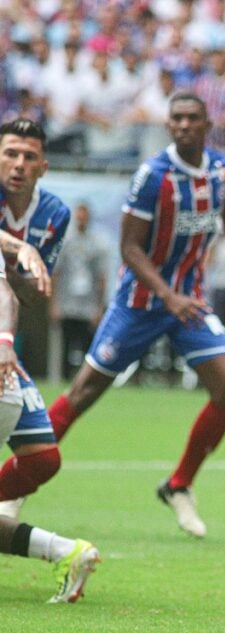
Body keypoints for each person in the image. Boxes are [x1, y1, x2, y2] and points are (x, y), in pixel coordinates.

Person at [35, 93, 225, 539]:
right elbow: (129, 247)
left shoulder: (222, 170)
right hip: (139, 305)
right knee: (82, 393)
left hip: (188, 304)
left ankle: (179, 485)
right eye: (177, 119)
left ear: (207, 124)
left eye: (193, 118)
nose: (185, 125)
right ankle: (18, 480)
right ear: (168, 126)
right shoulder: (153, 175)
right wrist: (167, 295)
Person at [0, 204, 98, 603]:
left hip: (5, 369)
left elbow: (6, 291)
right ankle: (64, 551)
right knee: (42, 456)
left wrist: (5, 343)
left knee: (42, 459)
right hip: (8, 374)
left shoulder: (52, 212)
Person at [0, 118, 70, 522]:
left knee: (43, 458)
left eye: (29, 157)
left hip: (5, 335)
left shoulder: (54, 213)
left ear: (43, 167)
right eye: (10, 153)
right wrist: (20, 249)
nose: (18, 164)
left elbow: (32, 293)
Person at [50, 202, 109, 381]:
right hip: (68, 303)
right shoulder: (66, 242)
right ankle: (63, 380)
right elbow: (56, 274)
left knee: (87, 347)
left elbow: (101, 278)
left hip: (88, 305)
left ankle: (84, 381)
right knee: (65, 346)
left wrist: (99, 307)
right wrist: (54, 304)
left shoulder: (97, 244)